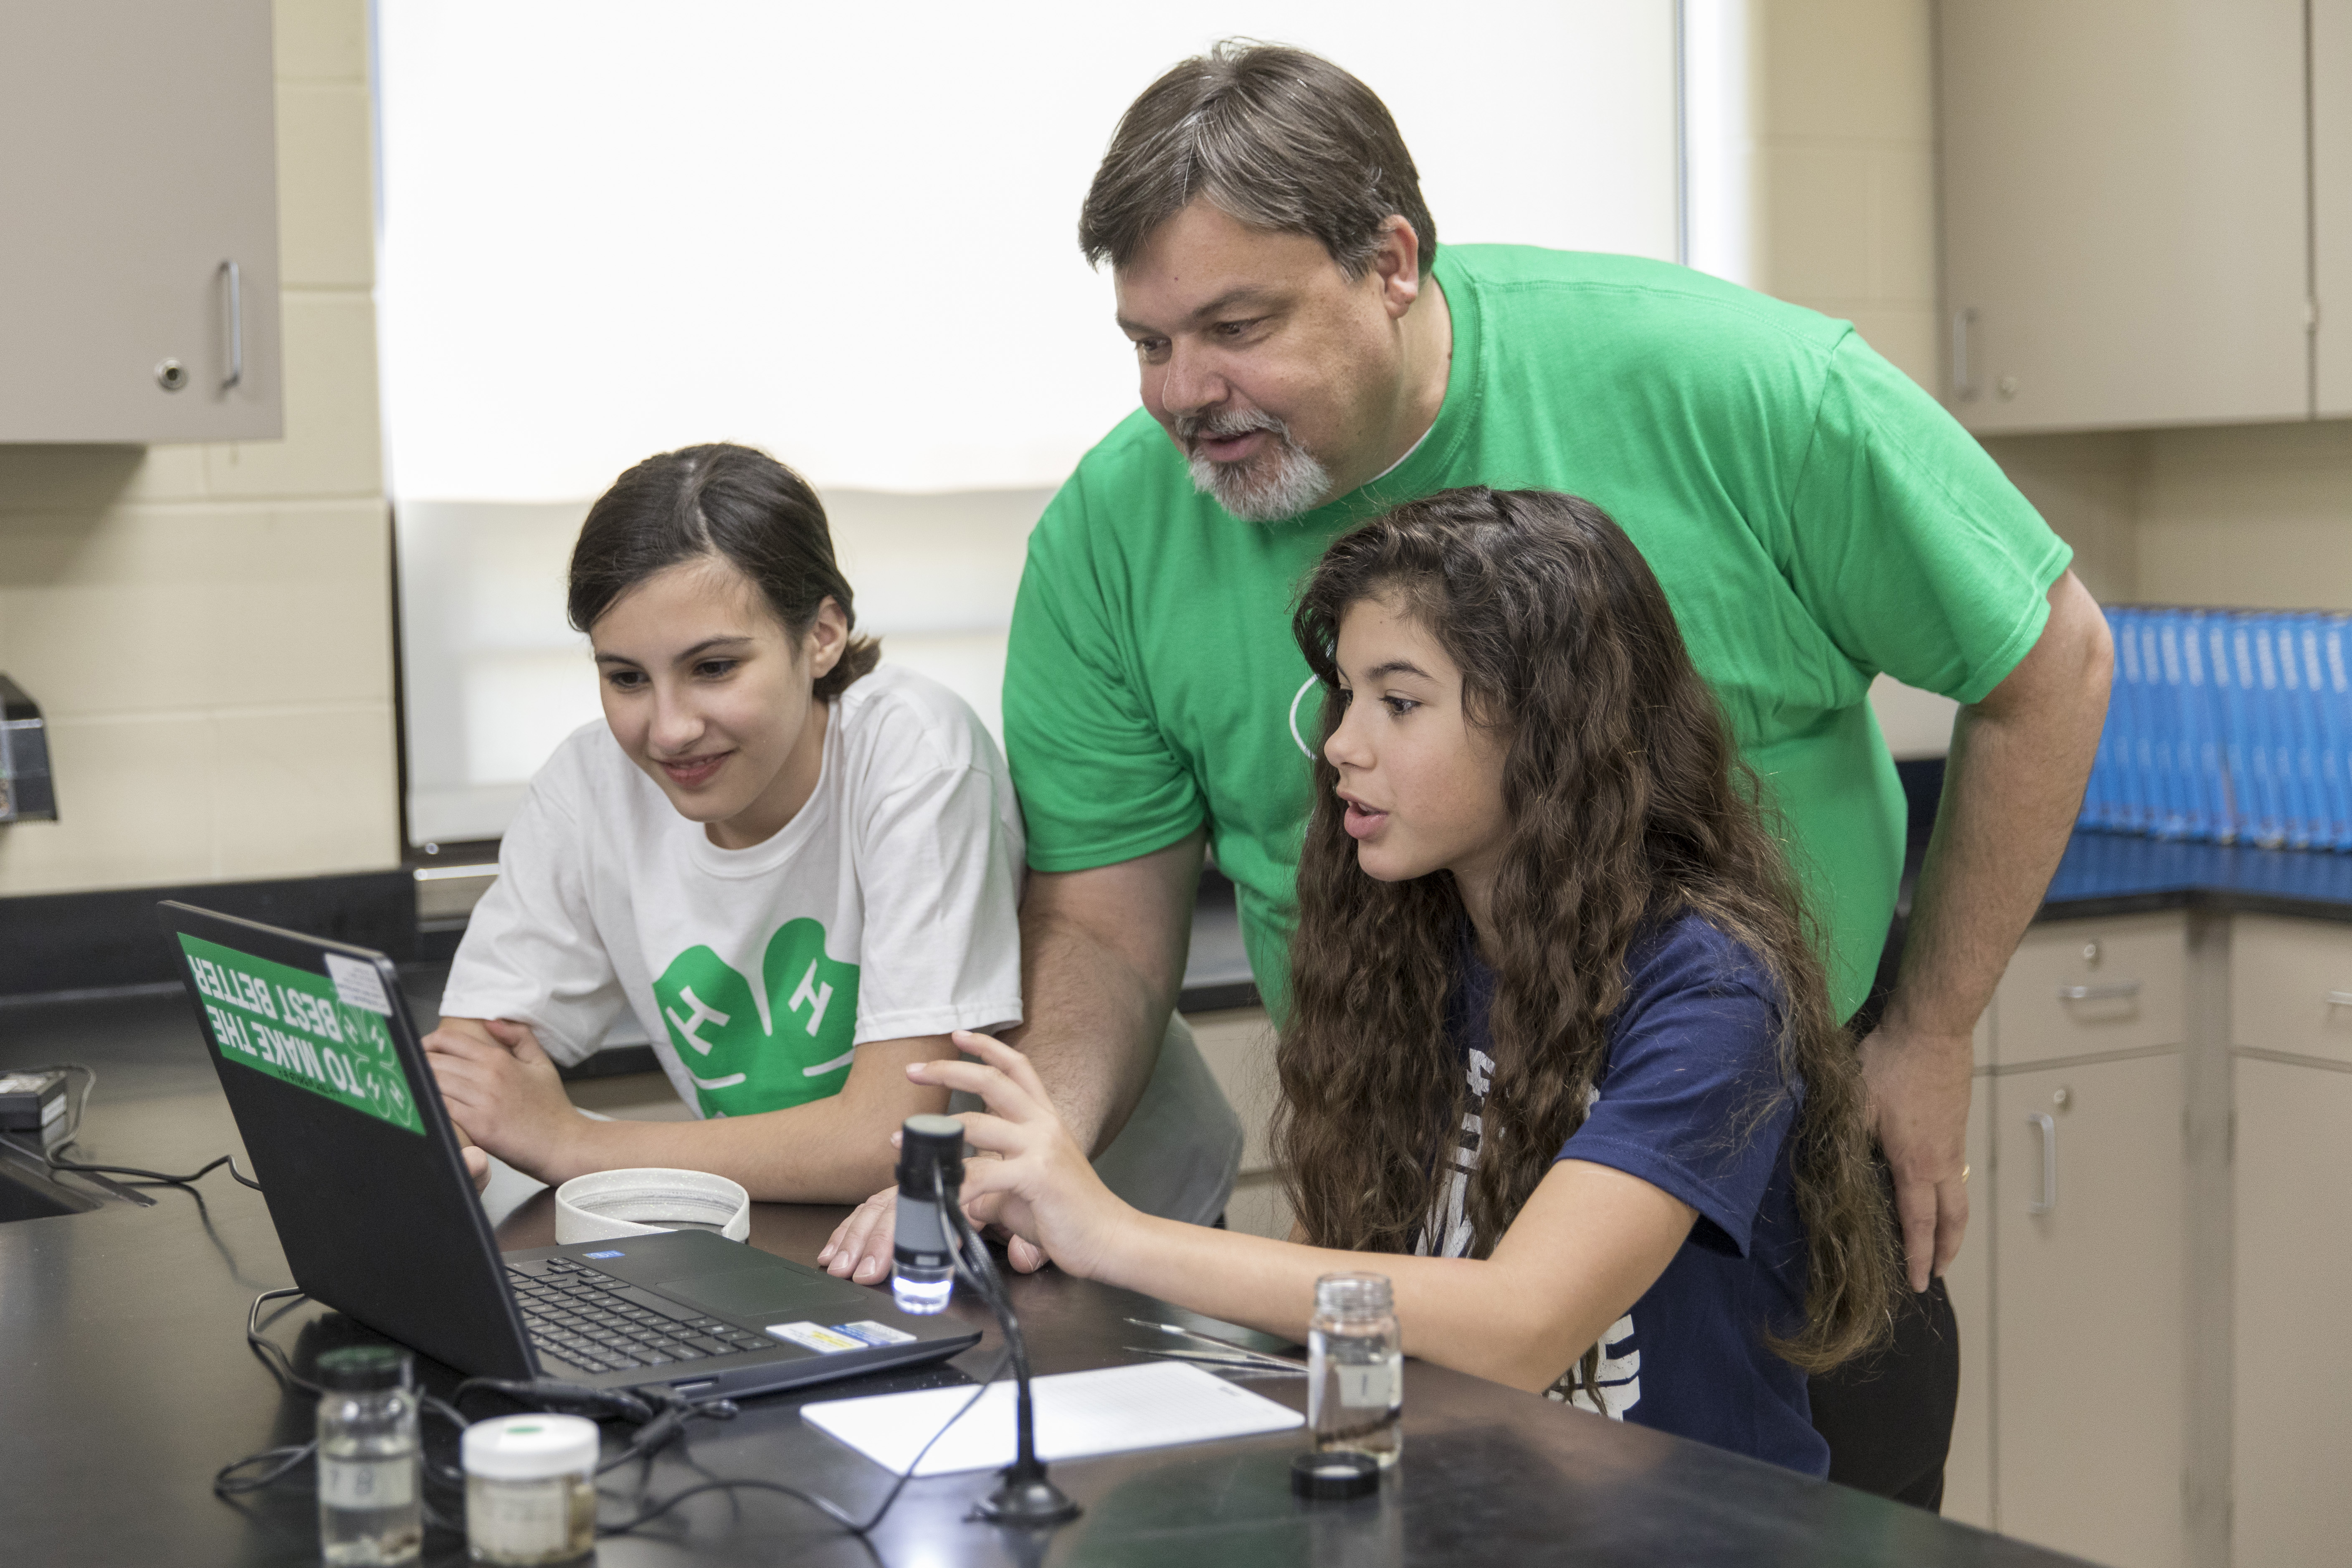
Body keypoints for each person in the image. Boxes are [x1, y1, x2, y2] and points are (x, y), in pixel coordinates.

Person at [825, 43, 2111, 1503]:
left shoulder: (1732, 390)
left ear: (1388, 261)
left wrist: (1928, 1033)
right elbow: (1112, 928)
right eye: (1146, 341)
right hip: (1411, 1148)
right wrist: (1032, 1163)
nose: (1181, 393)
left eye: (1233, 325)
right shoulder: (1117, 536)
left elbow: (2047, 659)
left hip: (1754, 1148)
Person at [898, 489, 1901, 1474]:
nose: (1341, 743)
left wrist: (1110, 1232)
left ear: (1551, 724)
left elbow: (1522, 1325)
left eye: (1400, 701)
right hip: (1468, 1501)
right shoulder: (1409, 947)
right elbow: (1332, 1271)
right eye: (1346, 696)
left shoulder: (1710, 993)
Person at [423, 442, 1031, 1201]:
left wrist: (573, 1141)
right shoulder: (588, 786)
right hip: (820, 1231)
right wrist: (455, 1127)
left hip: (1064, 1228)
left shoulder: (917, 756)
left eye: (713, 668)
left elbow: (889, 1144)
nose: (670, 729)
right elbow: (471, 1065)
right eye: (626, 678)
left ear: (821, 635)